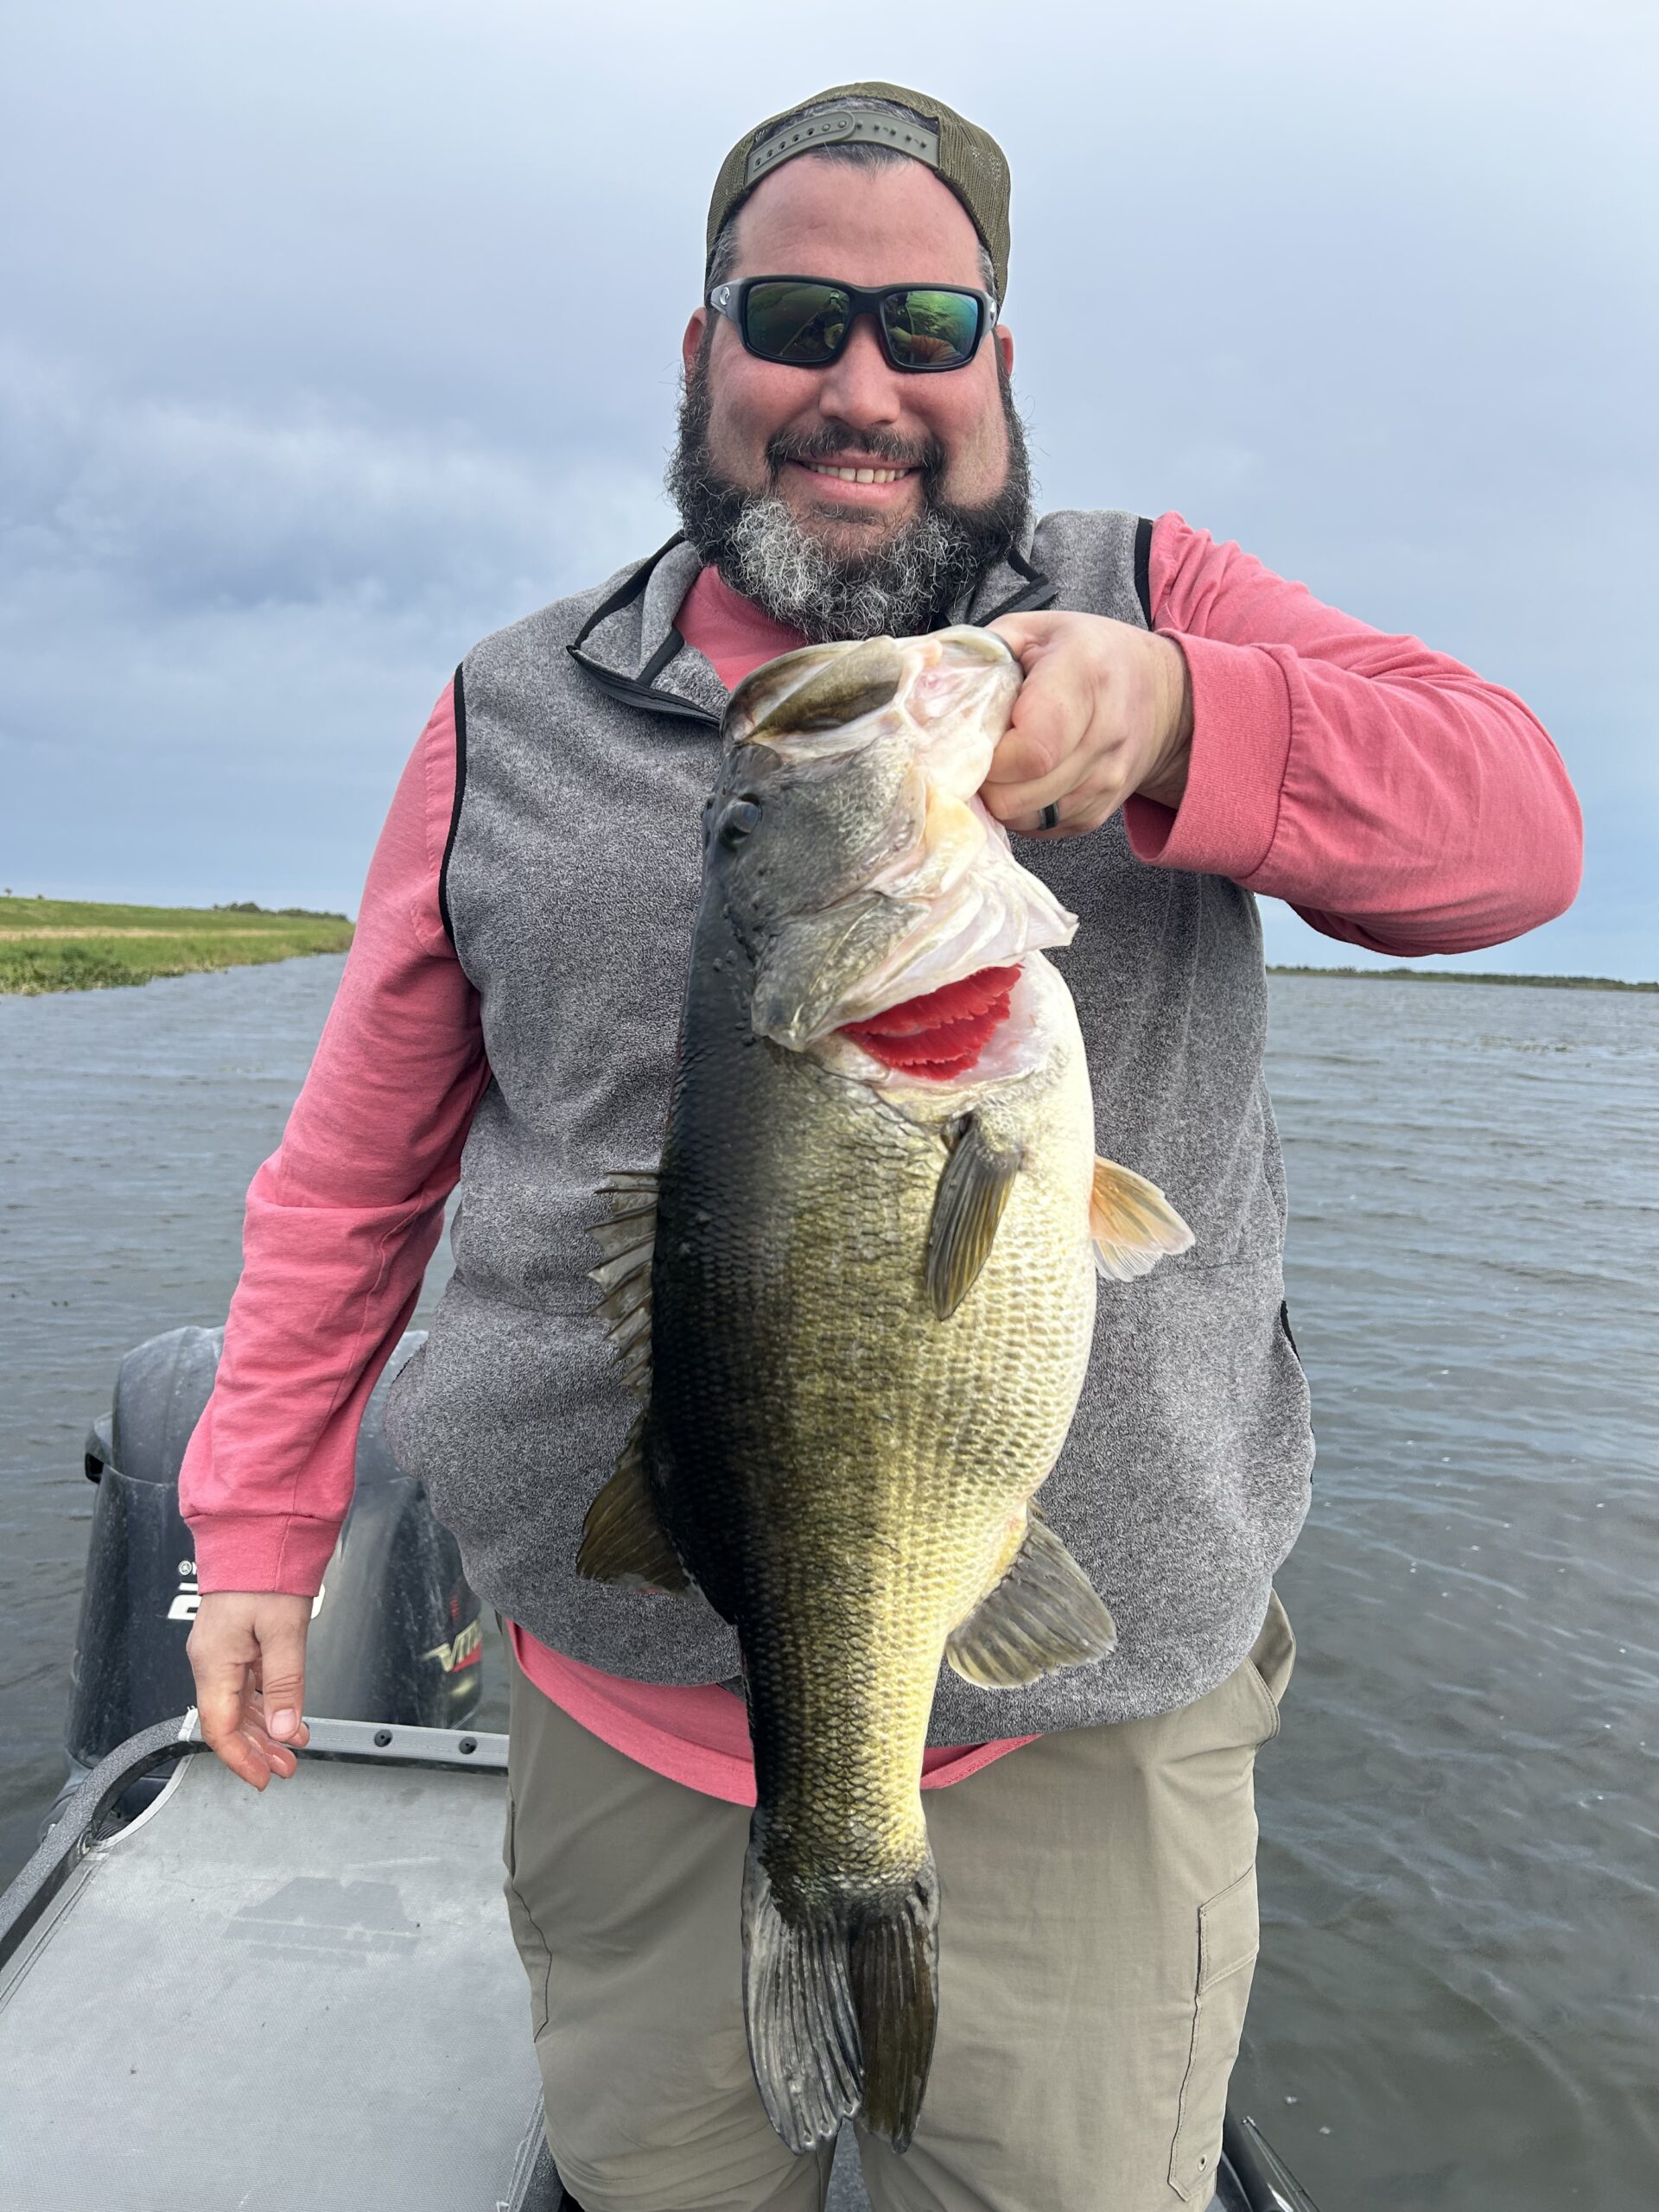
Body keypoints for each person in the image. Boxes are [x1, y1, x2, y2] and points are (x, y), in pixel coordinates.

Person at [180, 81, 1582, 2212]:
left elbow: (1520, 836)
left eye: (925, 325)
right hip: (615, 1715)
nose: (860, 386)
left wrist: (1187, 711)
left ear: (998, 361)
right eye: (794, 319)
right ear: (701, 353)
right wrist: (260, 1523)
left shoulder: (1157, 594)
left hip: (1088, 1738)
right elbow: (357, 1167)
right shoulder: (508, 709)